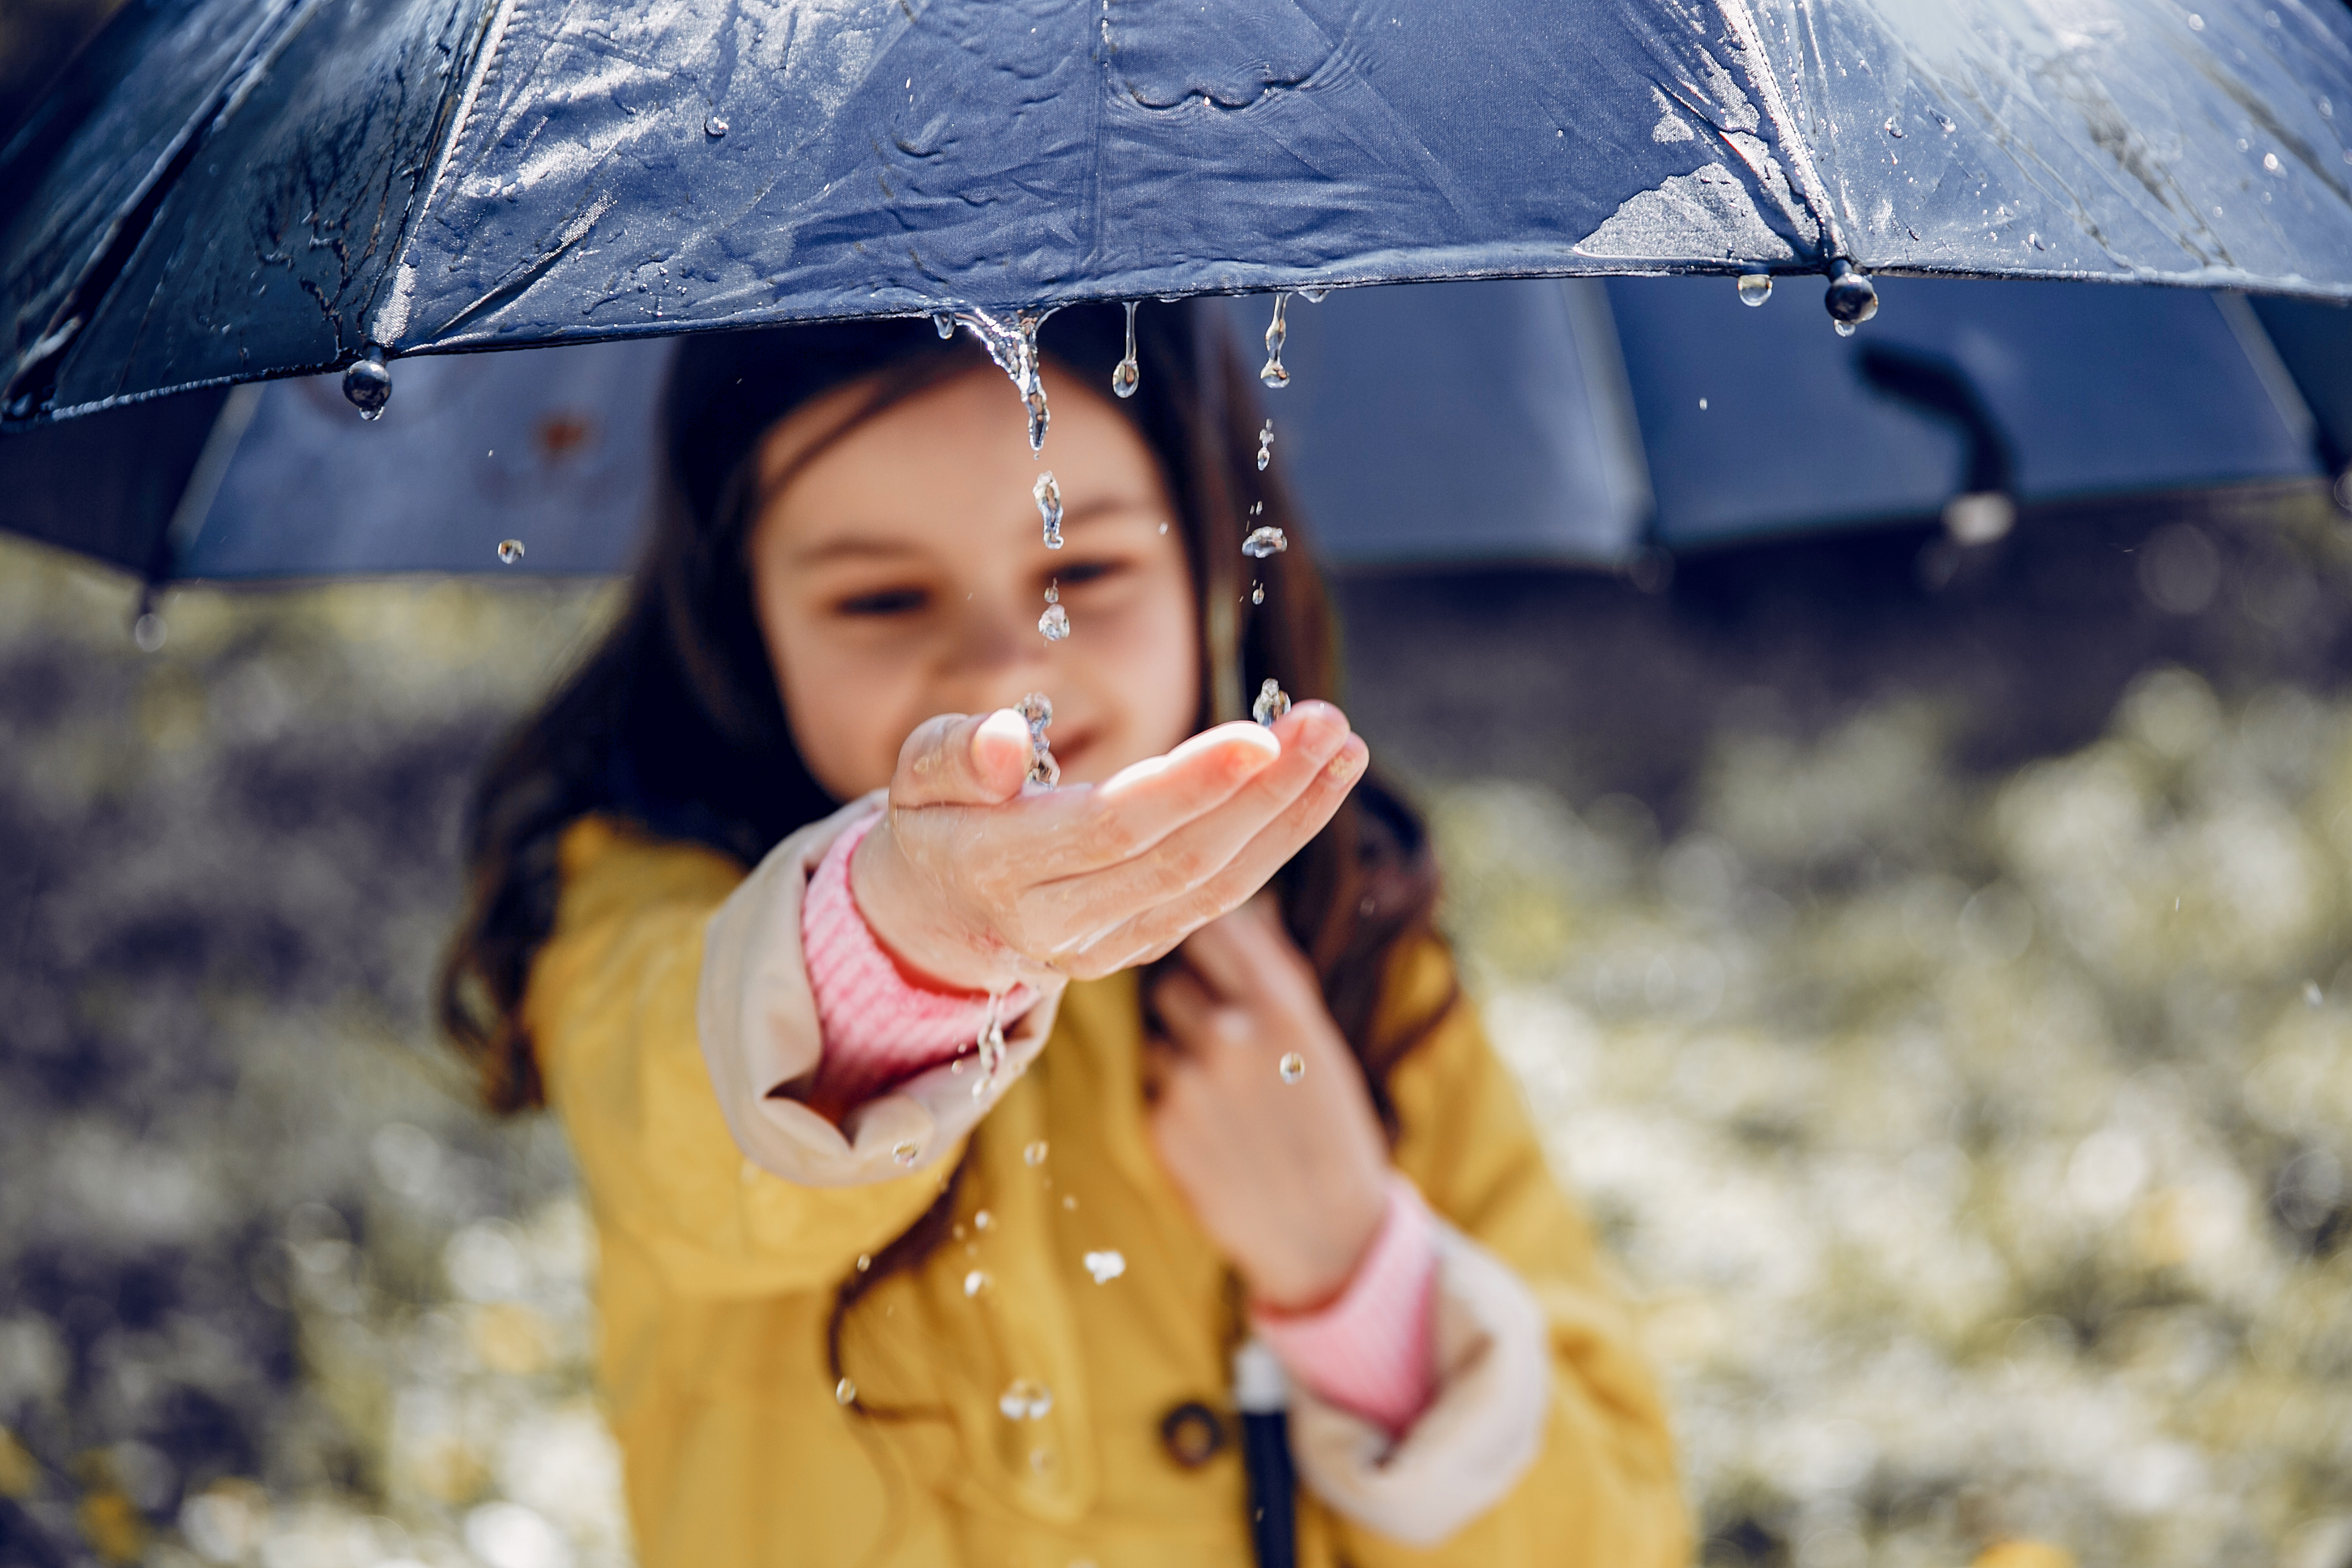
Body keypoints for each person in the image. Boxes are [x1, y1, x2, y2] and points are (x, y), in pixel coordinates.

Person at [440, 302, 1686, 1568]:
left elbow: (1617, 1535)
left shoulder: (1353, 947)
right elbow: (688, 1129)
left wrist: (1350, 1271)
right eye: (879, 598)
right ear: (744, 622)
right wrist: (905, 945)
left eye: (1080, 572)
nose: (997, 675)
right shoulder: (651, 915)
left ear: (1212, 569)